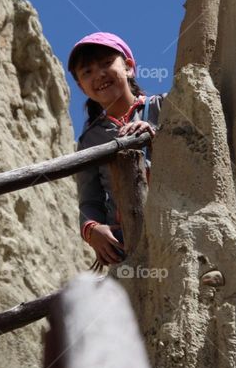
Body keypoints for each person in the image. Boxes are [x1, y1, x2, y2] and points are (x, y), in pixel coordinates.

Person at [68, 32, 165, 266]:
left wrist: (158, 133)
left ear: (129, 67)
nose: (98, 75)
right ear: (82, 87)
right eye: (87, 72)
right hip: (126, 239)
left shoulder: (163, 106)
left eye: (106, 63)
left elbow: (195, 145)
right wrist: (93, 229)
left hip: (170, 219)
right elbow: (90, 199)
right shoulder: (90, 140)